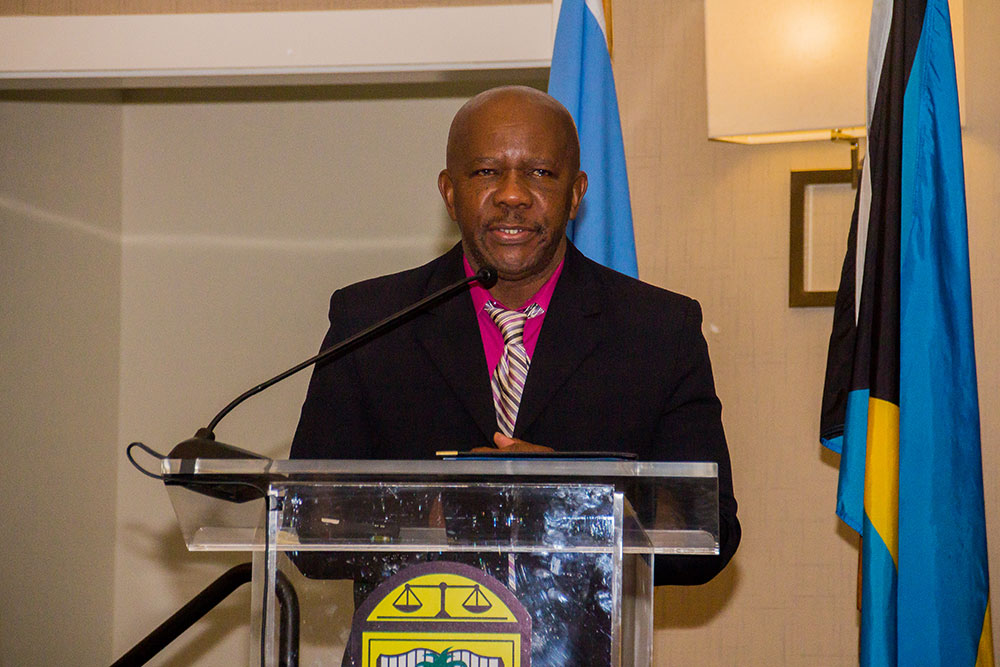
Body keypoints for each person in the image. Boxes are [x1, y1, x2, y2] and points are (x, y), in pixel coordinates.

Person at [290, 85, 739, 585]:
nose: (512, 195)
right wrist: (446, 508)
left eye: (540, 173)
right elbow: (310, 527)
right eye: (486, 172)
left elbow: (709, 535)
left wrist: (569, 504)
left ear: (575, 194)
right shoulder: (372, 322)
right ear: (449, 192)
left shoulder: (658, 330)